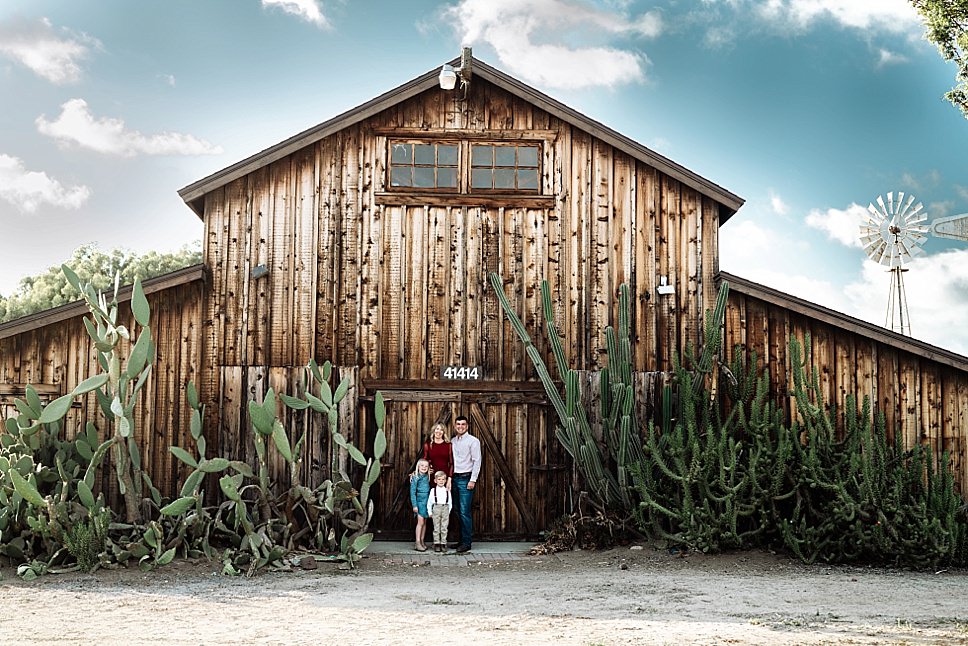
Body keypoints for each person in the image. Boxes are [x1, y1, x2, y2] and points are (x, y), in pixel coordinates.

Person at [449, 414, 481, 553]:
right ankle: (461, 540)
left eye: (463, 424)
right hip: (454, 478)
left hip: (465, 479)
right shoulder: (452, 441)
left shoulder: (473, 441)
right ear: (455, 426)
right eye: (458, 424)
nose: (460, 426)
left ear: (467, 426)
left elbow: (477, 461)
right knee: (456, 510)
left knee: (464, 511)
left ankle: (467, 543)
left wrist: (472, 479)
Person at [421, 423, 454, 490]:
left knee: (444, 498)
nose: (439, 431)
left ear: (444, 432)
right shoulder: (427, 445)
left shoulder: (448, 445)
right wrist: (427, 470)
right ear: (434, 430)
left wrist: (449, 479)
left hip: (444, 477)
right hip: (432, 477)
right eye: (437, 429)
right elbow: (424, 461)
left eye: (441, 430)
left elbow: (451, 464)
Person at [409, 458, 432, 551]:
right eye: (422, 465)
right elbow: (412, 492)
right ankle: (417, 542)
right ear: (418, 466)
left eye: (426, 466)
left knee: (425, 522)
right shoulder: (415, 477)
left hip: (427, 502)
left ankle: (422, 540)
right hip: (419, 502)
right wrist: (414, 505)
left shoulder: (427, 476)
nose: (424, 467)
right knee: (420, 522)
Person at [426, 470, 452, 553]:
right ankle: (437, 543)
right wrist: (429, 512)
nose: (441, 481)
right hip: (436, 508)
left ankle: (443, 543)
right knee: (436, 527)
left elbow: (450, 502)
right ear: (435, 480)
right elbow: (429, 502)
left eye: (443, 479)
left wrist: (448, 511)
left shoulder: (447, 490)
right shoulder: (433, 490)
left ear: (445, 480)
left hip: (445, 508)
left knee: (444, 527)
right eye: (439, 479)